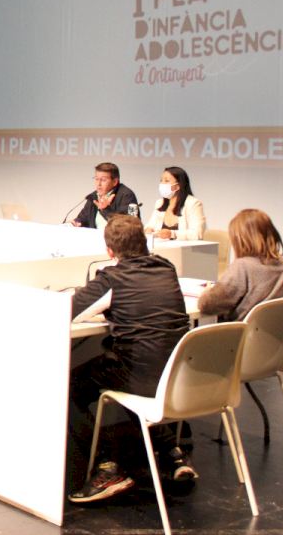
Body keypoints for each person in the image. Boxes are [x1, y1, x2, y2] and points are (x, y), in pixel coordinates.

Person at [67, 215, 192, 503]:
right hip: (177, 373)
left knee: (71, 386)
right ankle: (172, 453)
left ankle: (108, 467)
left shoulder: (112, 277)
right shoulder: (167, 268)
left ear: (110, 251)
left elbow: (71, 311)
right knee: (129, 368)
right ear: (144, 242)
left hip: (140, 373)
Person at [199, 209, 283, 321]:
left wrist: (207, 292)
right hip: (275, 331)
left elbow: (207, 305)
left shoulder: (242, 267)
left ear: (240, 239)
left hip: (240, 331)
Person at [143, 166, 206, 241]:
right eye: (161, 180)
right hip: (161, 247)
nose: (162, 184)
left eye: (166, 181)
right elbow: (150, 225)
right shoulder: (159, 203)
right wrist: (148, 229)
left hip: (184, 247)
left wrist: (172, 234)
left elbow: (197, 234)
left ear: (177, 186)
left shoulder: (193, 203)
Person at [71, 162, 139, 229]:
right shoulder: (94, 196)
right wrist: (78, 222)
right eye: (96, 179)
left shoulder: (126, 195)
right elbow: (83, 218)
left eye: (103, 180)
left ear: (115, 182)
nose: (98, 184)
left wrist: (105, 209)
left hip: (116, 236)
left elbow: (127, 226)